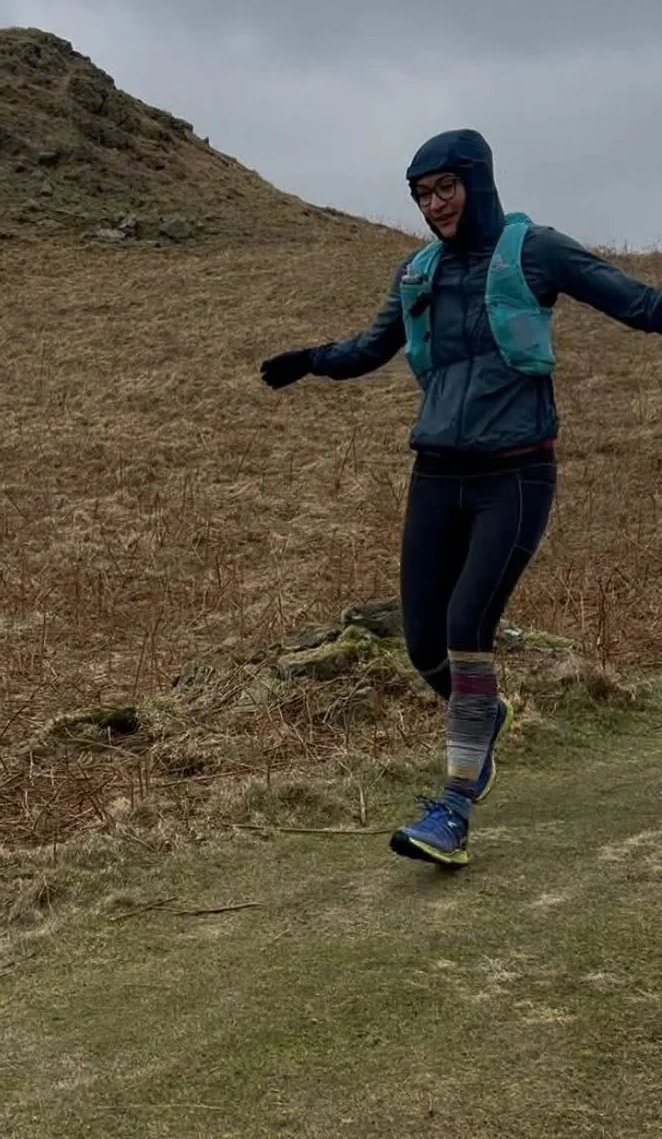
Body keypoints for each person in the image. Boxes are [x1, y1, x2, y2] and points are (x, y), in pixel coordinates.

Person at [260, 127, 662, 868]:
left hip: (514, 475)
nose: (435, 204)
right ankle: (486, 715)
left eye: (446, 187)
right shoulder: (418, 272)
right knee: (421, 642)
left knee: (466, 623)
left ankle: (452, 807)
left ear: (476, 181)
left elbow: (638, 304)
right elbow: (372, 347)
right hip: (436, 476)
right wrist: (309, 361)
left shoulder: (536, 250)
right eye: (422, 194)